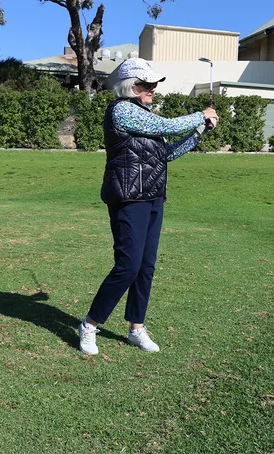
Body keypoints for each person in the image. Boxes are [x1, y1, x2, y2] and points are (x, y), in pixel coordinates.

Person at [79, 58, 218, 355]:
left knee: (146, 266)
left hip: (154, 196)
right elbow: (166, 125)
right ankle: (90, 324)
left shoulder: (144, 114)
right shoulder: (123, 111)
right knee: (128, 265)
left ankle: (136, 327)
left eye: (154, 84)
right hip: (128, 196)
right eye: (146, 84)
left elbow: (165, 154)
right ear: (131, 87)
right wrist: (199, 114)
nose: (153, 89)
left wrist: (199, 132)